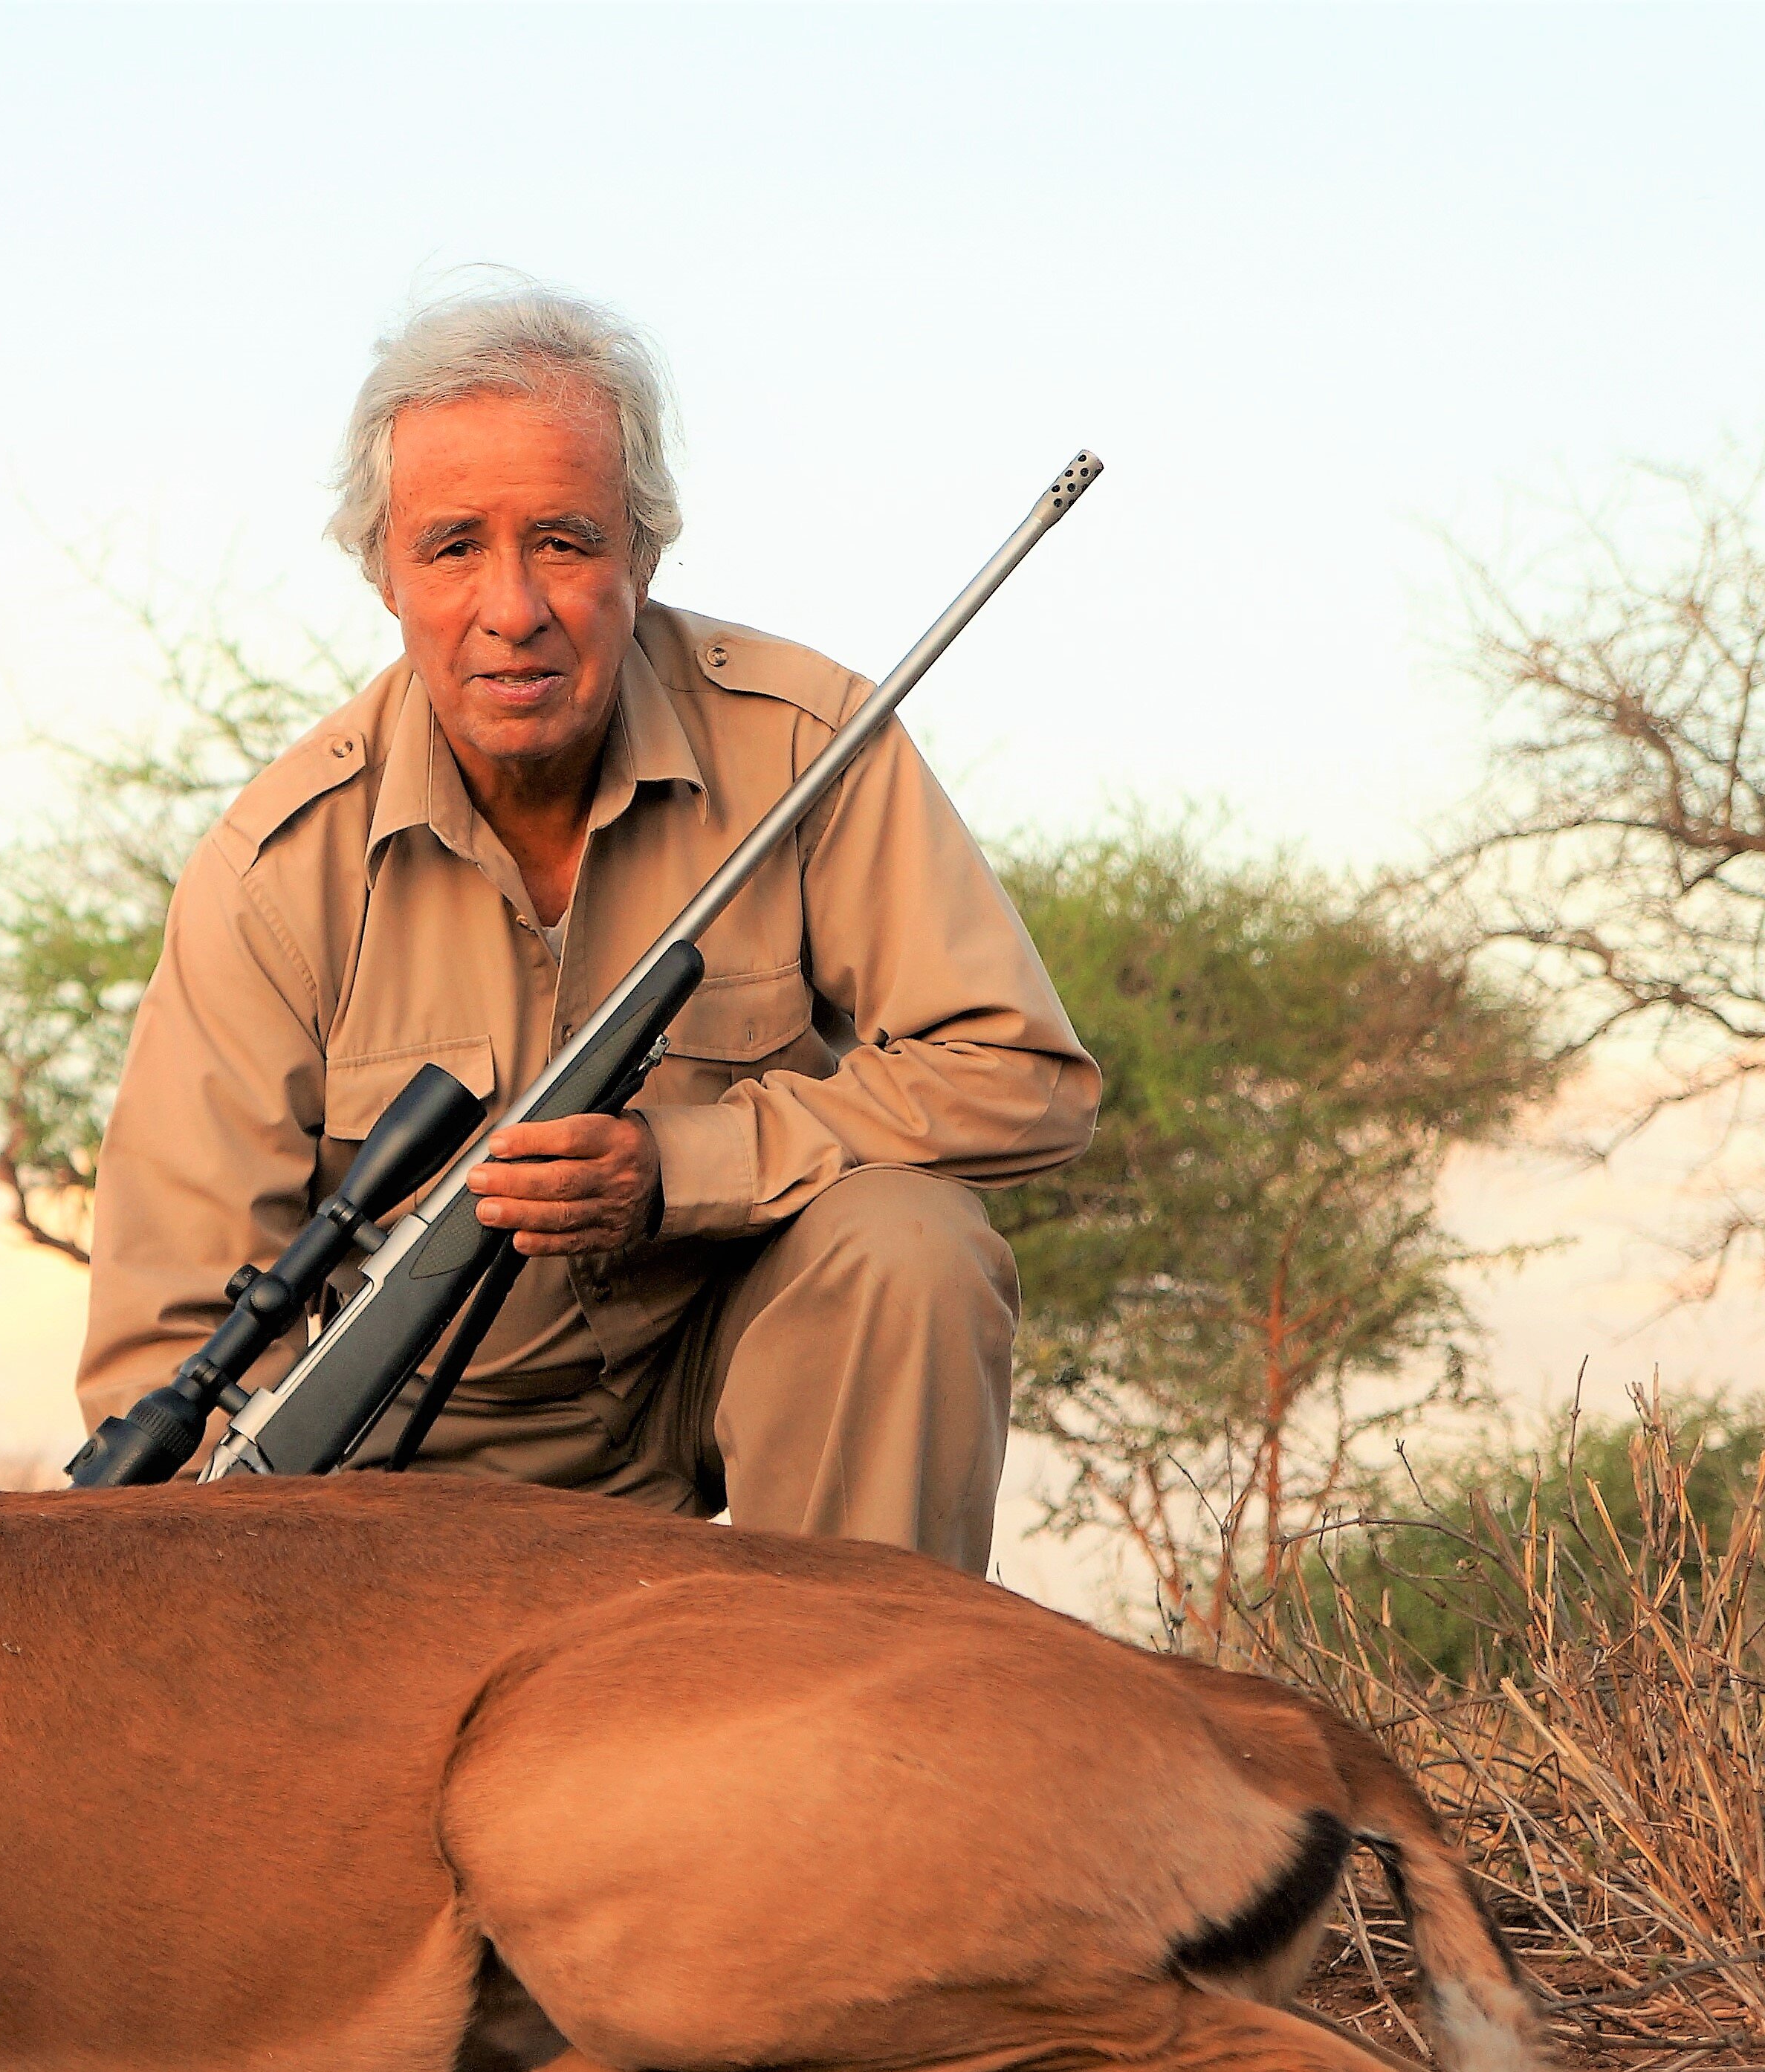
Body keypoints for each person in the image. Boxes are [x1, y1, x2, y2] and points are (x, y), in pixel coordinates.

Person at [76, 285, 1098, 1575]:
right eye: (451, 549)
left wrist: (680, 1169)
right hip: (408, 1471)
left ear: (642, 553)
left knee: (910, 1250)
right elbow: (162, 1344)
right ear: (382, 572)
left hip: (716, 1379)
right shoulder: (270, 872)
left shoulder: (804, 741)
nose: (512, 608)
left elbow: (1019, 1076)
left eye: (562, 541)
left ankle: (859, 1732)